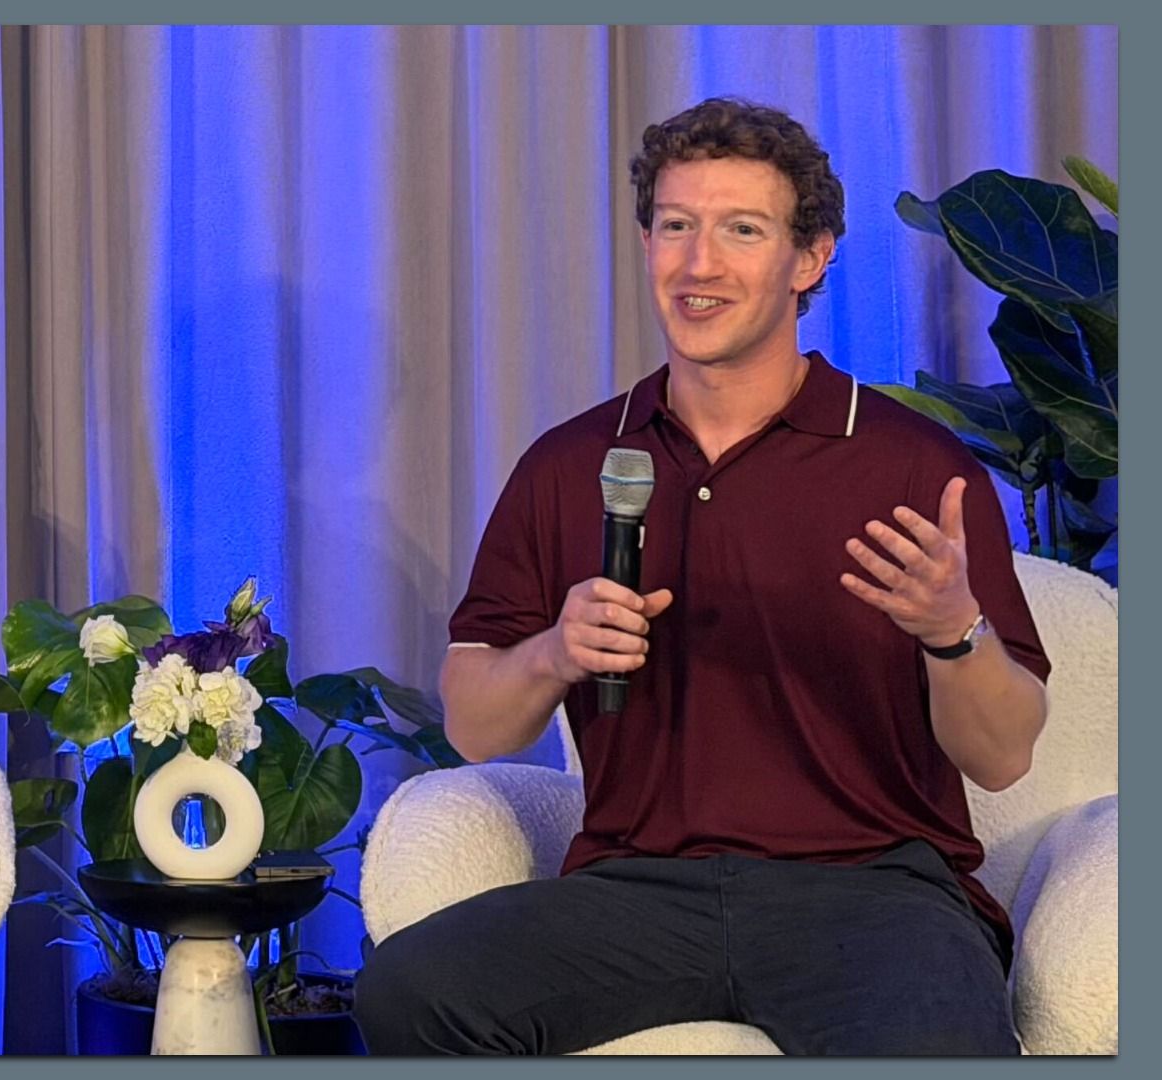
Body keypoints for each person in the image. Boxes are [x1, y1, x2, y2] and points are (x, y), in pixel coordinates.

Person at [354, 98, 1050, 1056]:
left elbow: (1004, 756)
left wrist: (950, 630)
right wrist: (555, 652)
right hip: (638, 890)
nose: (699, 263)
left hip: (874, 893)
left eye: (742, 231)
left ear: (811, 259)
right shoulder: (571, 463)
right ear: (647, 244)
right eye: (676, 226)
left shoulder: (914, 467)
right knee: (408, 993)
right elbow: (476, 724)